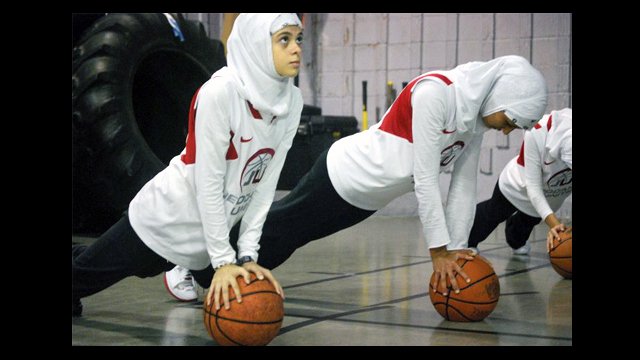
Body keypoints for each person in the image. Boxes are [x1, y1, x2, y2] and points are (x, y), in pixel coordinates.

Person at [166, 55, 548, 297]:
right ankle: (187, 262)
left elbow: (462, 186)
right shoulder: (437, 94)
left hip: (366, 198)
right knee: (279, 232)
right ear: (501, 96)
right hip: (341, 174)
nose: (507, 131)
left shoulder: (474, 122)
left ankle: (212, 271)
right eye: (511, 120)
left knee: (284, 241)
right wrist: (439, 253)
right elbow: (427, 180)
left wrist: (459, 248)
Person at [72, 13, 304, 317]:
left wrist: (247, 254)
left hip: (206, 237)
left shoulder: (291, 102)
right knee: (85, 276)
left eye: (298, 38)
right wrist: (223, 261)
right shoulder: (220, 93)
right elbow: (206, 182)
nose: (296, 48)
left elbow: (263, 185)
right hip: (165, 219)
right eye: (283, 39)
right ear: (256, 44)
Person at [467, 108, 572, 255]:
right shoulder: (537, 130)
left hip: (552, 195)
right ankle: (465, 240)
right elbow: (533, 188)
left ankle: (514, 234)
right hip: (517, 186)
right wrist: (556, 225)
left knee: (525, 225)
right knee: (494, 213)